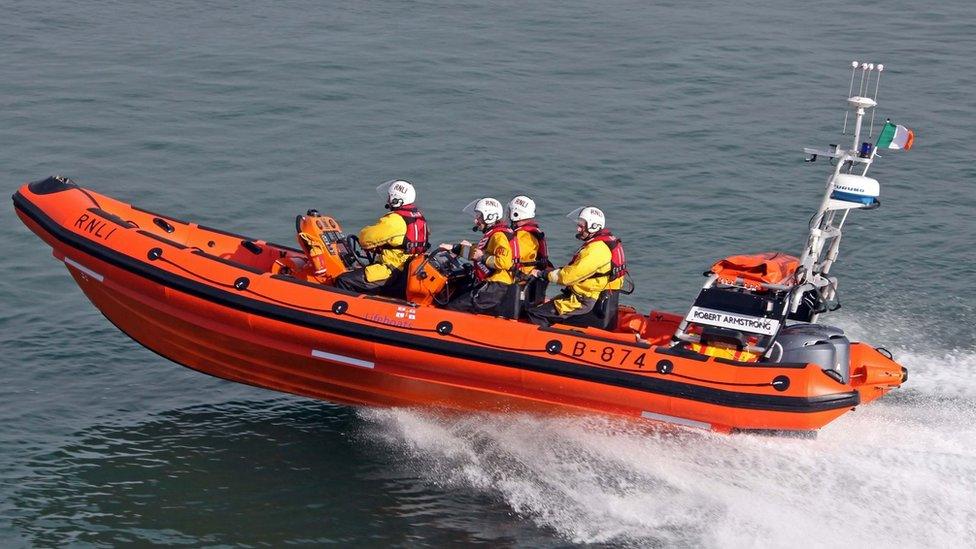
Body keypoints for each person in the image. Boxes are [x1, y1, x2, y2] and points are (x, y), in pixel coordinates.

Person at [525, 206, 627, 326]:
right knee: (547, 305)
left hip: (582, 300)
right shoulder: (603, 244)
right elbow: (578, 271)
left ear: (593, 226)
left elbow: (569, 277)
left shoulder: (596, 250)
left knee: (536, 313)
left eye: (581, 226)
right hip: (585, 295)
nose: (578, 229)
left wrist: (542, 273)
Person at [335, 179, 429, 296]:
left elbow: (365, 239)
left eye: (389, 197)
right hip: (407, 271)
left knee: (344, 280)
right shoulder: (419, 219)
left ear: (396, 199)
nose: (388, 200)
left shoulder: (395, 220)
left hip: (391, 270)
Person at [443, 197, 518, 316]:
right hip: (496, 285)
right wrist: (455, 248)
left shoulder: (498, 236)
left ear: (490, 217)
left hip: (495, 287)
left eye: (479, 217)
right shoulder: (497, 233)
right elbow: (481, 252)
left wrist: (482, 257)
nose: (476, 221)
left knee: (452, 308)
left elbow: (504, 262)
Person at [507, 195, 551, 306]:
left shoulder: (524, 236)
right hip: (523, 279)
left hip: (518, 281)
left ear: (515, 213)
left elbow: (507, 257)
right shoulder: (529, 232)